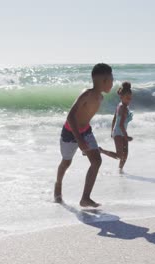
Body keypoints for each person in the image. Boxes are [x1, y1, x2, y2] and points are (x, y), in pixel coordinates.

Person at [54, 63, 113, 207]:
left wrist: (87, 141)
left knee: (96, 161)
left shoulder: (100, 98)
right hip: (70, 132)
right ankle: (58, 183)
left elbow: (85, 117)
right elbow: (71, 116)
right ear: (104, 80)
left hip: (86, 131)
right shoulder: (86, 94)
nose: (113, 82)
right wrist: (79, 140)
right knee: (66, 162)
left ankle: (85, 198)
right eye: (111, 79)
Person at [100, 81, 133, 173]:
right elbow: (121, 124)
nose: (129, 100)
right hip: (119, 133)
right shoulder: (123, 108)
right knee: (119, 155)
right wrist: (125, 136)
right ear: (121, 97)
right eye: (127, 98)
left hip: (120, 132)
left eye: (130, 98)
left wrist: (112, 131)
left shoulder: (121, 105)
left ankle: (120, 170)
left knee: (125, 155)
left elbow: (114, 118)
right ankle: (101, 151)